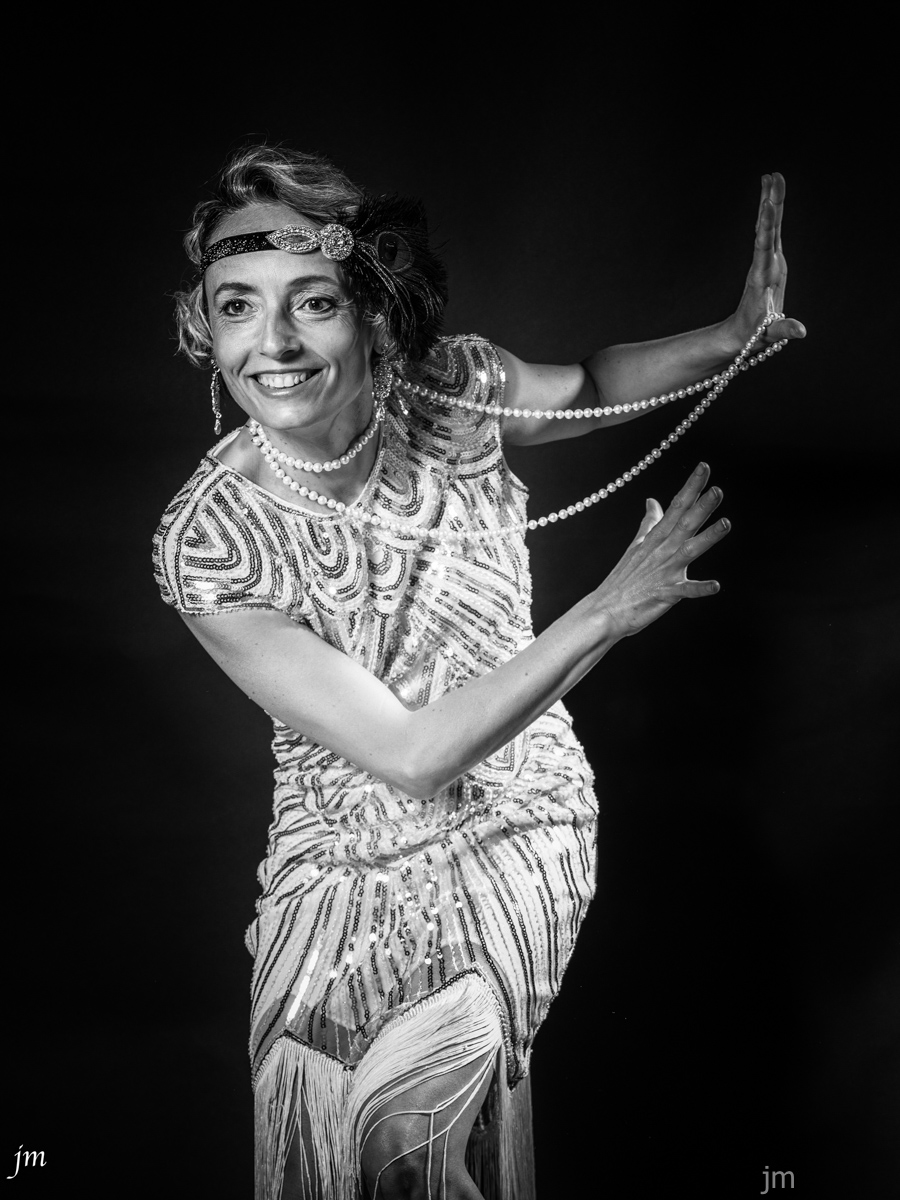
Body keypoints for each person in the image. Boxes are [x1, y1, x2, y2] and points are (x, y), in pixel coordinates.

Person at [154, 145, 804, 1200]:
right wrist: (608, 608)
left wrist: (730, 340)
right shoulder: (211, 541)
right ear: (206, 328)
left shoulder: (452, 391)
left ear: (373, 309)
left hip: (509, 813)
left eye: (311, 302)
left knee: (401, 1147)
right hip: (333, 865)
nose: (272, 344)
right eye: (237, 307)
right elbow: (409, 755)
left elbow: (591, 385)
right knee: (321, 1142)